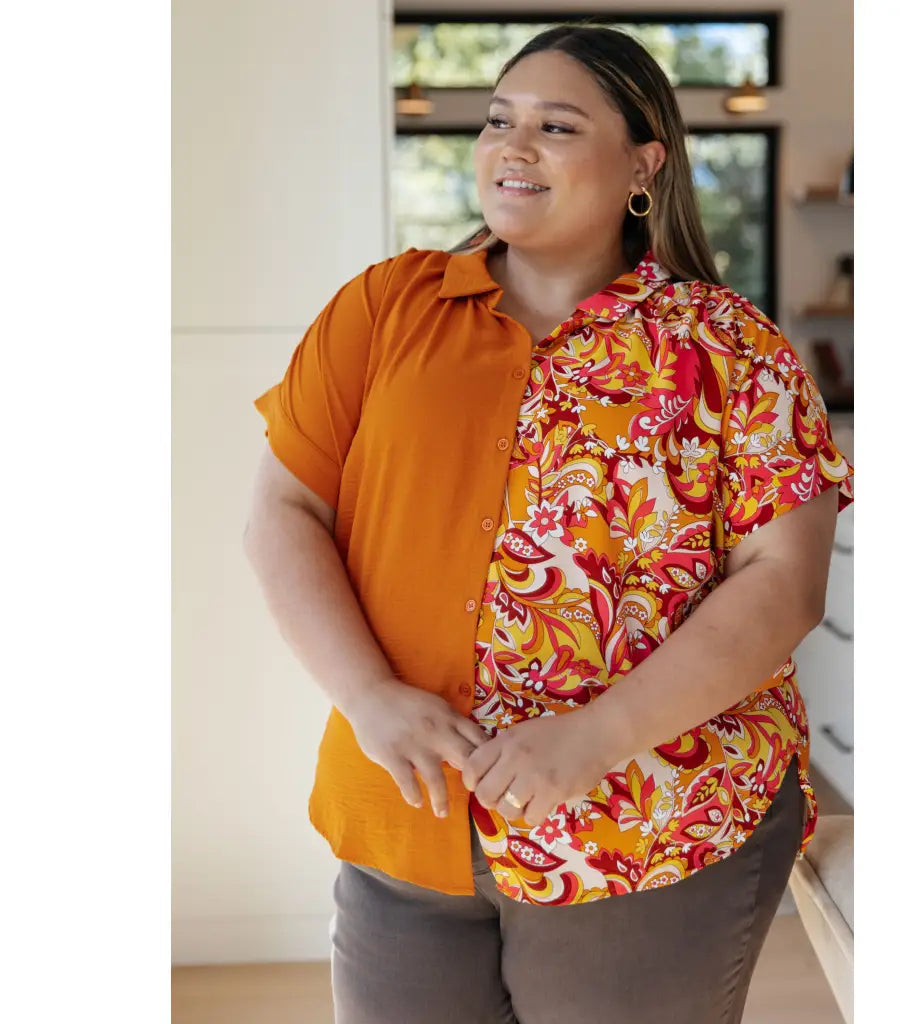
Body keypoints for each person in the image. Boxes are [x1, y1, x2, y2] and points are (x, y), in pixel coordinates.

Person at [244, 24, 853, 1024]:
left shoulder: (732, 350)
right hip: (410, 821)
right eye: (497, 120)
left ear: (642, 164)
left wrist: (594, 738)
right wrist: (367, 695)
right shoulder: (386, 309)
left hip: (649, 831)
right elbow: (281, 509)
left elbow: (783, 582)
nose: (510, 146)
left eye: (556, 125)